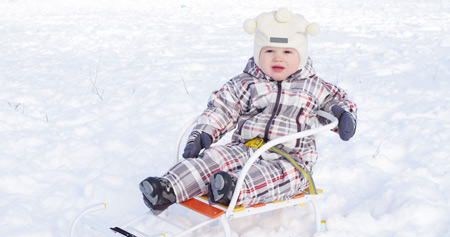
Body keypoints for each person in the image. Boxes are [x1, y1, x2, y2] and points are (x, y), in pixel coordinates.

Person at [139, 8, 357, 214]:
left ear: (301, 55)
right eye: (269, 50)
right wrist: (204, 131)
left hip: (290, 159)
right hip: (244, 148)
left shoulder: (314, 87)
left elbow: (336, 100)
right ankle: (167, 188)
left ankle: (231, 188)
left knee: (274, 177)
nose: (277, 57)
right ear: (257, 53)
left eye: (287, 51)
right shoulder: (246, 83)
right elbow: (223, 107)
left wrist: (343, 115)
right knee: (213, 159)